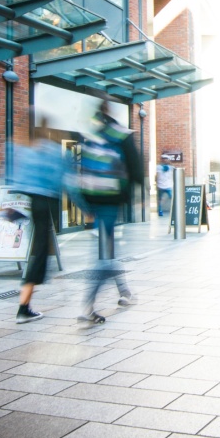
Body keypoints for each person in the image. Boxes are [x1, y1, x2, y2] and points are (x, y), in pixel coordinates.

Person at [78, 101, 143, 324]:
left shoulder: (92, 135)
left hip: (93, 199)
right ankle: (87, 307)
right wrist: (135, 196)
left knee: (108, 247)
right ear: (111, 111)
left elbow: (83, 170)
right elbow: (136, 169)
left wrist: (86, 204)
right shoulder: (121, 134)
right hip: (111, 200)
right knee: (104, 255)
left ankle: (125, 293)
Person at [10, 121, 63, 324]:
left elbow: (16, 177)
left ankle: (25, 305)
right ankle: (23, 308)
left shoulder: (25, 150)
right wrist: (84, 206)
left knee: (39, 252)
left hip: (30, 203)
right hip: (45, 203)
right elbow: (63, 180)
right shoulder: (51, 151)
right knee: (39, 253)